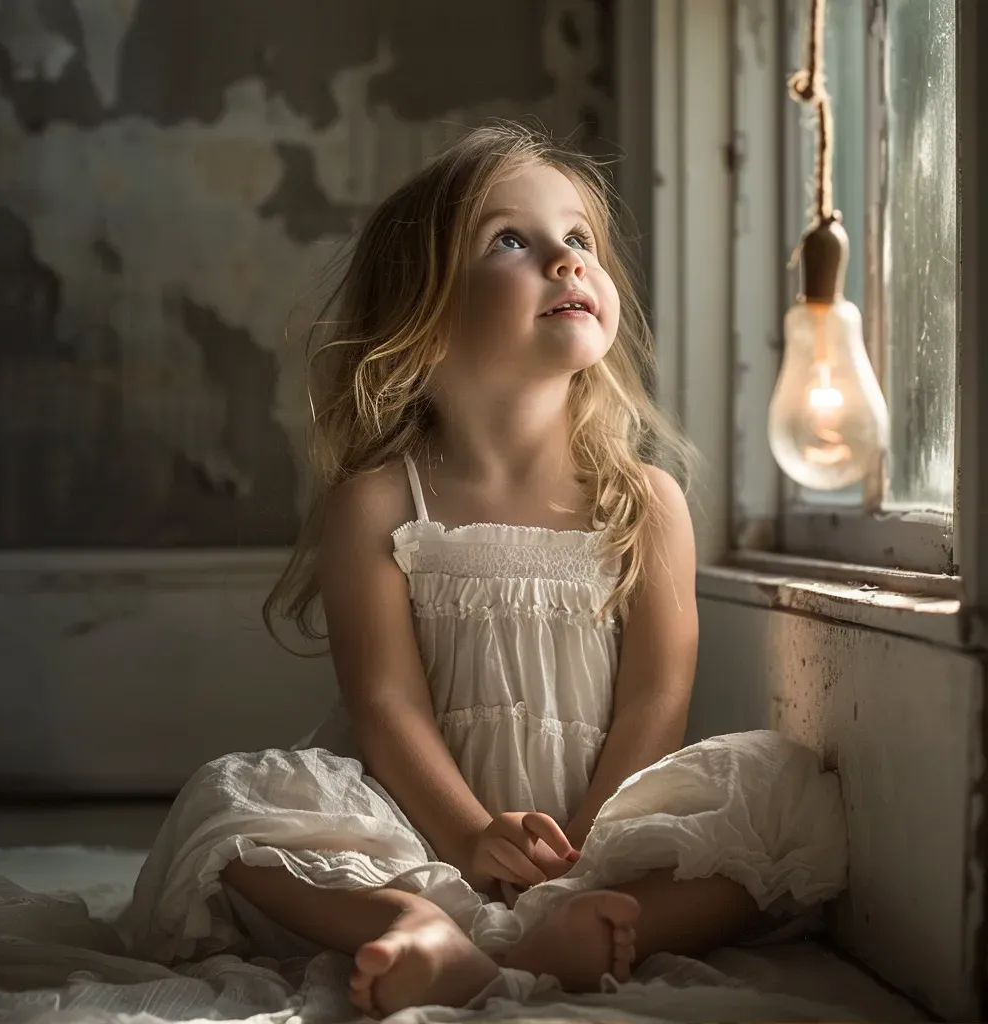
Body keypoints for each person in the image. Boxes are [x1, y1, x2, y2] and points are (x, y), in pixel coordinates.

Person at [124, 121, 847, 1019]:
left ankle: (609, 917)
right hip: (419, 824)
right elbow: (387, 706)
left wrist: (588, 848)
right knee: (227, 806)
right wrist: (468, 835)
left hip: (598, 827)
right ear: (422, 315)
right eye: (513, 239)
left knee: (783, 791)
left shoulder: (645, 500)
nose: (567, 260)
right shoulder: (383, 504)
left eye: (580, 239)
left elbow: (655, 703)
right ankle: (412, 921)